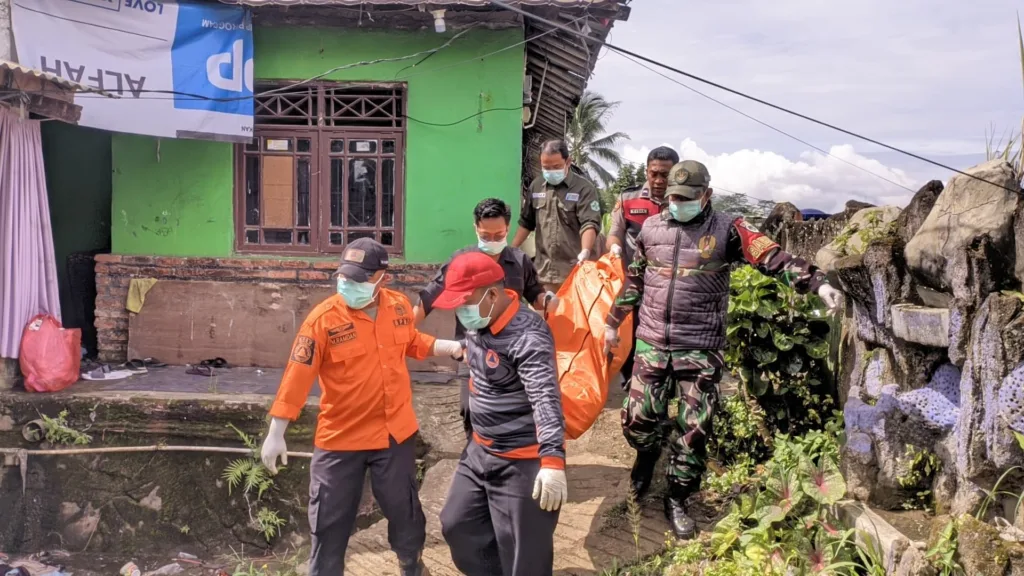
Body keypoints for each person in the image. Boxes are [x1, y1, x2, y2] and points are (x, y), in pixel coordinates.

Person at [603, 161, 843, 540]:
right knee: (637, 421)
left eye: (687, 197)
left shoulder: (729, 229)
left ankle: (677, 497)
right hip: (652, 341)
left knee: (694, 429)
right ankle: (647, 454)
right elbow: (635, 281)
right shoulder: (650, 228)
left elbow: (771, 257)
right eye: (673, 197)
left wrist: (816, 282)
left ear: (706, 195)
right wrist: (612, 322)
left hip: (700, 346)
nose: (678, 203)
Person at [259, 238, 464, 576]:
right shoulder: (322, 319)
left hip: (394, 432)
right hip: (342, 436)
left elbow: (411, 341)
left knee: (405, 512)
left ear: (381, 278)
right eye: (344, 276)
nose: (347, 284)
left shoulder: (398, 305)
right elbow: (298, 374)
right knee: (328, 520)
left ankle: (411, 564)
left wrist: (449, 347)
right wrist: (276, 431)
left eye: (357, 278)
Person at [431, 252, 567, 576]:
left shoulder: (528, 336)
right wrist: (456, 350)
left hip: (521, 460)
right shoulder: (481, 320)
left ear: (492, 294)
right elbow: (485, 357)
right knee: (457, 525)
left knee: (524, 556)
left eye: (464, 303)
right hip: (479, 451)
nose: (460, 312)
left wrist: (552, 462)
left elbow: (545, 398)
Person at [416, 197, 556, 440]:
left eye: (498, 235)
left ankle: (507, 453)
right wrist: (401, 328)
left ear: (508, 229)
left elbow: (534, 294)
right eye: (485, 235)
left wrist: (547, 300)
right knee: (470, 409)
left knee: (511, 411)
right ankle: (476, 452)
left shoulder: (519, 261)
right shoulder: (460, 262)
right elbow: (429, 297)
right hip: (471, 350)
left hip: (512, 352)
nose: (492, 241)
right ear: (475, 228)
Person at [605, 145, 681, 388]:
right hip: (635, 282)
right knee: (632, 335)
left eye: (665, 175)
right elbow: (615, 233)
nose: (658, 180)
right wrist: (614, 248)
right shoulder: (628, 198)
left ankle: (665, 385)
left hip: (669, 287)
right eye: (653, 173)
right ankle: (631, 384)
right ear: (647, 171)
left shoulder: (682, 202)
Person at [511, 139, 602, 293]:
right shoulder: (536, 186)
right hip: (545, 272)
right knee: (545, 308)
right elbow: (526, 222)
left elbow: (589, 224)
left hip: (576, 271)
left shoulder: (584, 188)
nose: (551, 171)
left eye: (556, 167)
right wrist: (512, 249)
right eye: (546, 167)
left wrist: (585, 251)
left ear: (568, 162)